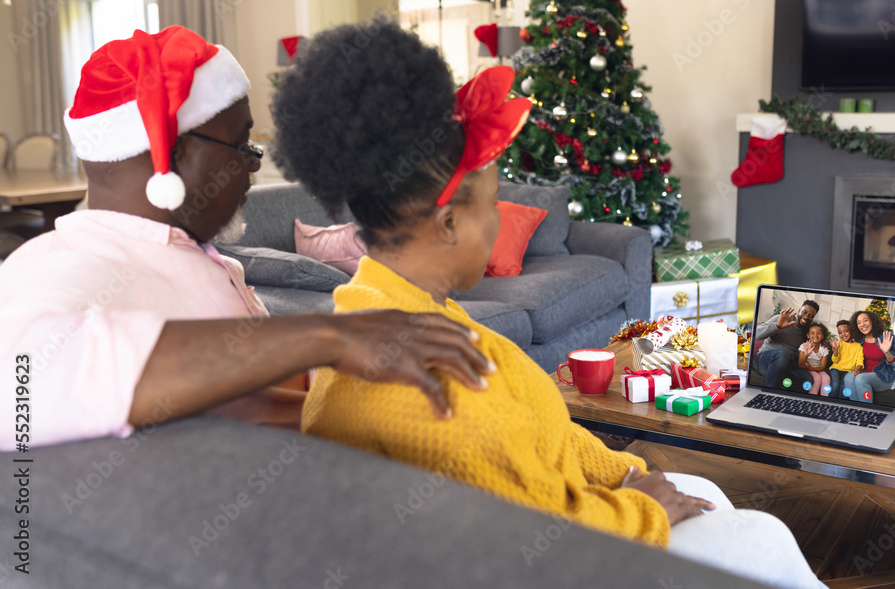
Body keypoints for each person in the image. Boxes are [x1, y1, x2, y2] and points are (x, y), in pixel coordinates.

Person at [275, 21, 825, 589]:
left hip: (571, 513)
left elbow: (546, 434)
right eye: (494, 204)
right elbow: (527, 540)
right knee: (763, 538)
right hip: (553, 558)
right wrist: (644, 509)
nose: (499, 222)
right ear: (448, 223)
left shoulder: (404, 310)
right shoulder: (422, 382)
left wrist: (631, 473)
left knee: (706, 493)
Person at [0, 26, 494, 451]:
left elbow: (244, 395)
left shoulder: (180, 250)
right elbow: (15, 381)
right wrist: (330, 337)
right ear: (171, 155)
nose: (252, 166)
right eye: (241, 146)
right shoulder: (65, 259)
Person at [753, 300, 820, 388]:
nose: (806, 317)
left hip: (787, 364)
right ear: (799, 310)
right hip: (765, 360)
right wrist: (777, 326)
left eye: (811, 316)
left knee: (807, 380)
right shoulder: (781, 319)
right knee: (783, 353)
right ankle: (770, 393)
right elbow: (755, 335)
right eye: (804, 312)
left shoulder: (806, 332)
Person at [843, 310, 895, 403]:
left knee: (861, 378)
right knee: (848, 377)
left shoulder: (887, 337)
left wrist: (886, 352)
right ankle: (858, 410)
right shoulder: (859, 339)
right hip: (864, 371)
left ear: (872, 321)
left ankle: (867, 411)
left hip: (883, 375)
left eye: (865, 320)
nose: (862, 324)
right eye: (859, 323)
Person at [829, 319, 864, 399]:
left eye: (845, 331)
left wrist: (857, 370)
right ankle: (830, 403)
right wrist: (836, 349)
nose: (843, 334)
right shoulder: (838, 343)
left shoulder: (858, 346)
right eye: (840, 333)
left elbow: (860, 361)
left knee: (844, 387)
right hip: (836, 368)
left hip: (848, 371)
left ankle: (841, 406)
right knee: (835, 385)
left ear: (851, 331)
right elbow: (835, 360)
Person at [798, 323, 831, 395]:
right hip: (807, 368)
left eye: (818, 333)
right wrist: (806, 355)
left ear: (822, 336)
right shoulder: (804, 346)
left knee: (827, 378)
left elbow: (822, 367)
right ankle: (812, 399)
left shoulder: (824, 349)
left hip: (817, 368)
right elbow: (800, 364)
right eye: (812, 333)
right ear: (808, 335)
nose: (815, 335)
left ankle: (824, 399)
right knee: (817, 378)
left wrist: (811, 367)